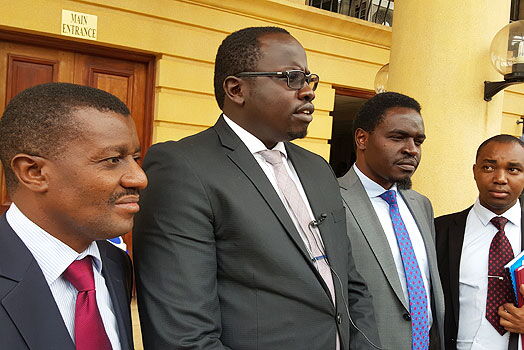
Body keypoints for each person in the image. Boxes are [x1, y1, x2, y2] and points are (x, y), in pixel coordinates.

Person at [133, 26, 379, 350]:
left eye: (309, 79)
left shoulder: (317, 168)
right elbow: (184, 336)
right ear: (237, 89)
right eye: (291, 77)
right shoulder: (182, 168)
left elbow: (350, 284)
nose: (307, 91)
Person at [0, 82, 147, 349]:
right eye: (113, 159)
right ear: (33, 172)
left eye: (135, 158)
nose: (139, 178)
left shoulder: (115, 263)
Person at [338, 92, 445, 350]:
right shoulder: (330, 201)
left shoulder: (421, 204)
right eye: (398, 137)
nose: (411, 149)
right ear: (362, 139)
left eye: (418, 141)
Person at [436, 134, 524, 350]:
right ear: (475, 171)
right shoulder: (438, 231)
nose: (500, 178)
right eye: (488, 167)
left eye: (513, 169)